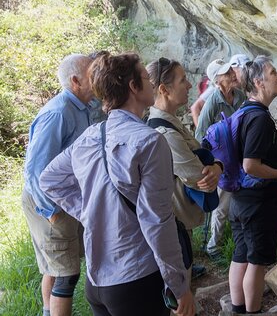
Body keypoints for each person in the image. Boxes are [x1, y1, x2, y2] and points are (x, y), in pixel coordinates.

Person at [39, 52, 195, 316]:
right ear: (133, 87)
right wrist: (180, 285)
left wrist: (89, 213)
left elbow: (50, 179)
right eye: (145, 78)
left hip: (98, 280)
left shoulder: (91, 136)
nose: (150, 83)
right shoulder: (149, 141)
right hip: (136, 278)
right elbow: (157, 220)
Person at [228, 55, 277, 314]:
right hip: (258, 203)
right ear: (259, 82)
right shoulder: (259, 119)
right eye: (273, 73)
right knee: (257, 263)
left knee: (241, 257)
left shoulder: (245, 112)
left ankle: (237, 310)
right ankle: (252, 311)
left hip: (240, 200)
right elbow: (251, 165)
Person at [21, 53, 94, 316]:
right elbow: (35, 169)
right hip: (48, 201)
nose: (97, 76)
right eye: (91, 73)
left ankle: (47, 312)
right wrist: (50, 210)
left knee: (55, 267)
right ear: (75, 81)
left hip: (61, 197)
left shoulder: (81, 107)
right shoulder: (59, 112)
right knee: (66, 273)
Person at [146, 57, 222, 279]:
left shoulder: (170, 123)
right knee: (180, 290)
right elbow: (200, 178)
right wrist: (218, 166)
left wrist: (216, 167)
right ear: (164, 89)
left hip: (177, 222)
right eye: (183, 80)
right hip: (172, 224)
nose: (190, 85)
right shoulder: (165, 133)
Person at [194, 55, 248, 259]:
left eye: (231, 71)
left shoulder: (240, 97)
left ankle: (237, 238)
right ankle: (213, 246)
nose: (232, 74)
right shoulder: (213, 103)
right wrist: (211, 159)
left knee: (239, 199)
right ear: (217, 81)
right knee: (223, 205)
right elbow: (200, 135)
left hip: (240, 157)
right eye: (226, 73)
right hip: (222, 162)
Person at [190, 54, 250, 126]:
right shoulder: (214, 93)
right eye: (243, 70)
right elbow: (195, 108)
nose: (233, 74)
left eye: (231, 70)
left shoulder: (240, 93)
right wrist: (208, 134)